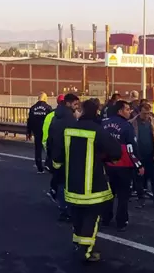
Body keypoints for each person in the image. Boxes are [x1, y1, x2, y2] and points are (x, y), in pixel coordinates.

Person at [52, 99, 121, 262]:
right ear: (96, 112)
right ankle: (87, 251)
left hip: (72, 184)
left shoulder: (69, 130)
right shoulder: (98, 131)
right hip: (92, 186)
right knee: (92, 216)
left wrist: (58, 168)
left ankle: (78, 243)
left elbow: (58, 155)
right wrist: (105, 157)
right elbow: (116, 151)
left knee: (77, 215)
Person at [102, 100, 143, 231]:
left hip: (106, 165)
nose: (129, 112)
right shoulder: (127, 127)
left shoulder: (104, 123)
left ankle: (106, 218)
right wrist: (139, 165)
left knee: (108, 194)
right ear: (120, 111)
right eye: (127, 109)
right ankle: (121, 221)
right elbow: (132, 149)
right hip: (123, 166)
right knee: (123, 196)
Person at [47, 93, 80, 221]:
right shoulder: (70, 120)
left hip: (56, 155)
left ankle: (63, 208)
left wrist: (51, 155)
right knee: (67, 184)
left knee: (61, 182)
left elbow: (50, 137)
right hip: (67, 155)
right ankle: (67, 210)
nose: (76, 107)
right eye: (75, 104)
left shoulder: (56, 116)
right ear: (68, 103)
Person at [130, 102, 154, 208]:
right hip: (138, 155)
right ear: (139, 112)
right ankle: (141, 199)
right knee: (138, 179)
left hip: (151, 154)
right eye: (144, 113)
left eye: (148, 113)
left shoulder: (153, 122)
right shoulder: (133, 123)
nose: (146, 116)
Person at [43, 95, 65, 202]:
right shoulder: (66, 117)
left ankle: (54, 190)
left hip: (49, 143)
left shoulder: (51, 114)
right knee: (59, 173)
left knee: (56, 171)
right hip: (55, 145)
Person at [26, 92, 53, 173]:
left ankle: (39, 168)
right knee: (49, 149)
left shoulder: (33, 108)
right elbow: (52, 121)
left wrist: (29, 132)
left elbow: (29, 121)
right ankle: (48, 164)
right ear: (45, 98)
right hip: (47, 133)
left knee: (38, 150)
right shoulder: (48, 108)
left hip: (36, 132)